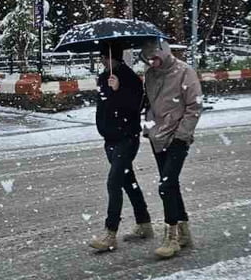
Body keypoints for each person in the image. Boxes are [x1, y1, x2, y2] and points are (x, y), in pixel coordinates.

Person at [140, 39, 203, 258]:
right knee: (172, 185)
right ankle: (184, 231)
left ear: (164, 53)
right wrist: (148, 126)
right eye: (148, 59)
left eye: (155, 57)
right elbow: (148, 103)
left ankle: (172, 235)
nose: (152, 62)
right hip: (157, 136)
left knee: (165, 186)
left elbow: (194, 106)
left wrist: (181, 136)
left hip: (177, 137)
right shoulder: (150, 74)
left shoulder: (185, 72)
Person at [87, 44, 153, 251]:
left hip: (127, 138)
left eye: (106, 59)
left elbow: (137, 105)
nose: (104, 62)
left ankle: (110, 233)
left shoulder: (130, 78)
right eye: (102, 59)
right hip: (110, 139)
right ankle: (144, 223)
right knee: (127, 181)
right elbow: (104, 105)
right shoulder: (102, 78)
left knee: (113, 182)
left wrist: (118, 90)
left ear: (116, 59)